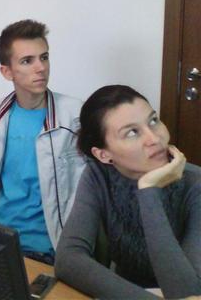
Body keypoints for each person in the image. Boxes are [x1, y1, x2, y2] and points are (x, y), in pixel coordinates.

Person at [55, 85, 201, 299]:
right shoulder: (99, 174)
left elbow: (187, 293)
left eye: (153, 120)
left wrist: (149, 191)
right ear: (103, 155)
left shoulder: (195, 183)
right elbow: (68, 259)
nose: (154, 138)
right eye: (132, 132)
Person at [0, 19, 84, 264]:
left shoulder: (75, 116)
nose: (41, 68)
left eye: (44, 57)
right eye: (27, 61)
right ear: (7, 72)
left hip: (46, 245)